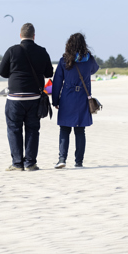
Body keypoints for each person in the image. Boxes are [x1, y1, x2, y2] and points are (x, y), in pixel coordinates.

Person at [0, 22, 53, 172]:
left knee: (14, 129)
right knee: (33, 129)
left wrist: (14, 72)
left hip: (15, 98)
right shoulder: (42, 51)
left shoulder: (12, 50)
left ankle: (17, 164)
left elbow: (1, 72)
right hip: (34, 98)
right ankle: (30, 163)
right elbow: (49, 73)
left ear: (20, 35)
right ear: (34, 36)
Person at [51, 33, 99, 169]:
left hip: (67, 98)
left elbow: (57, 82)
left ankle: (62, 159)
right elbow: (94, 69)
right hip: (83, 98)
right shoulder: (89, 59)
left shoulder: (64, 60)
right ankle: (79, 162)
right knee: (80, 131)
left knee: (65, 129)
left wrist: (55, 100)